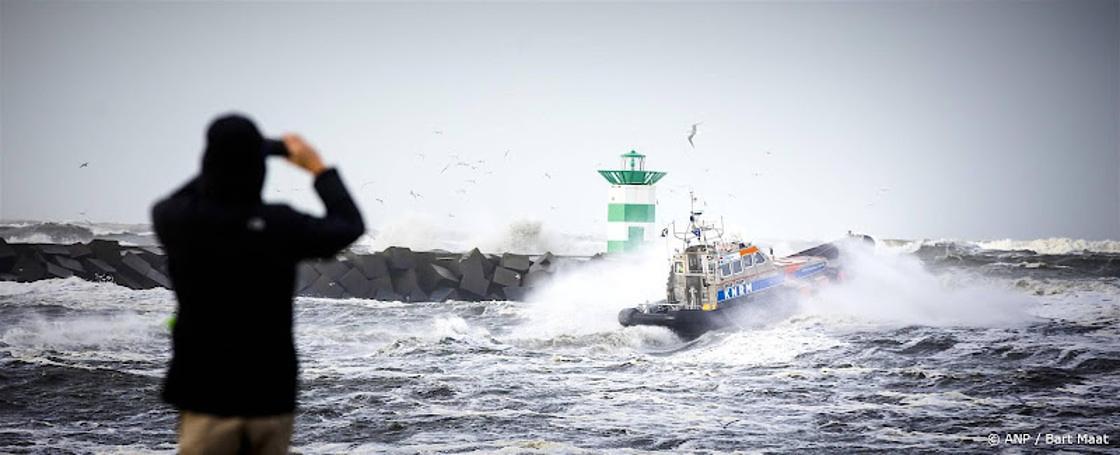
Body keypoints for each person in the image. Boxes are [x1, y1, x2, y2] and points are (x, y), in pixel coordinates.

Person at [152, 114, 365, 454]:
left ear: (209, 162)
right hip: (271, 399)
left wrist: (250, 151)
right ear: (258, 169)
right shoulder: (280, 224)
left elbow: (171, 202)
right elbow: (348, 224)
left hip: (207, 396)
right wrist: (316, 167)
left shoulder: (183, 222)